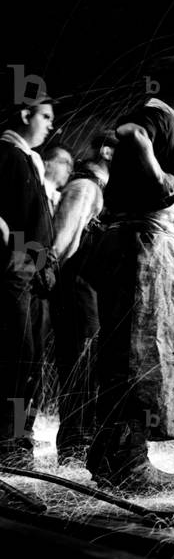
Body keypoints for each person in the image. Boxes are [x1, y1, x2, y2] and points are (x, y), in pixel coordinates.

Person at [86, 57, 174, 495]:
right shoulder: (156, 118)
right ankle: (128, 463)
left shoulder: (170, 127)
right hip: (143, 249)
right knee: (141, 350)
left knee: (132, 347)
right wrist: (162, 176)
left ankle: (110, 455)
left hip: (145, 243)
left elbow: (173, 198)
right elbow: (127, 135)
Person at [50, 131, 115, 465]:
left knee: (84, 366)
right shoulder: (85, 187)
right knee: (78, 365)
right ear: (106, 151)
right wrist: (47, 277)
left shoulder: (96, 189)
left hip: (85, 292)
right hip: (75, 291)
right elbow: (61, 242)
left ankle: (79, 442)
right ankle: (74, 446)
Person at [0, 95, 57, 469]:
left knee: (29, 357)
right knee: (16, 355)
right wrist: (10, 250)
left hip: (29, 273)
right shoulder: (5, 154)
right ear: (25, 114)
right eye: (46, 116)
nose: (51, 124)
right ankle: (7, 442)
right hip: (15, 271)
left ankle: (18, 440)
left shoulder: (25, 158)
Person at [41, 145, 74, 215]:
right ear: (46, 164)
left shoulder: (57, 202)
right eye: (65, 163)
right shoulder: (30, 189)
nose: (69, 170)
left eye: (70, 166)